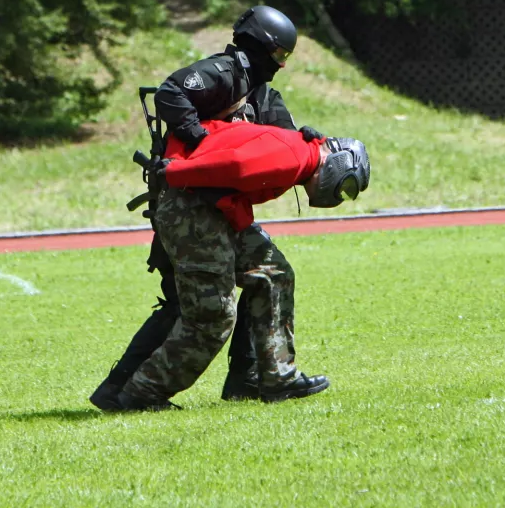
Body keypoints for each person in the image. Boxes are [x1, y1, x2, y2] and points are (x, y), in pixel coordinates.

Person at [91, 5, 329, 409]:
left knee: (269, 274)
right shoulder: (225, 72)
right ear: (263, 47)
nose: (282, 66)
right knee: (192, 308)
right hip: (189, 206)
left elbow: (278, 137)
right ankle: (125, 391)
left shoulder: (261, 92)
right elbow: (172, 92)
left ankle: (255, 378)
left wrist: (305, 142)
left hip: (223, 208)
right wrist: (201, 144)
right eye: (280, 56)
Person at [111, 120, 370, 411]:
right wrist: (175, 170)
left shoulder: (299, 153)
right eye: (346, 186)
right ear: (340, 162)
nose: (339, 194)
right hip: (192, 211)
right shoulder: (297, 156)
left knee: (275, 274)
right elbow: (235, 164)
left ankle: (278, 377)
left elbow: (223, 143)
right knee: (213, 315)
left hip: (211, 208)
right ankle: (141, 394)